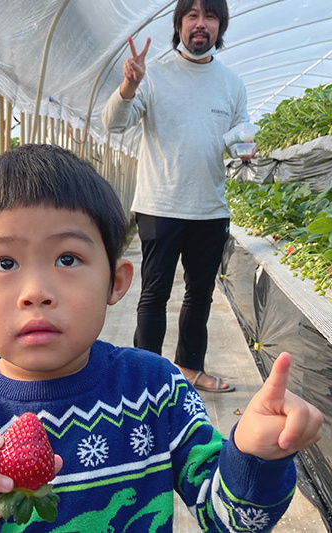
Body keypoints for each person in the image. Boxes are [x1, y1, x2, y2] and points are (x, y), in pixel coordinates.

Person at [0, 144, 323, 532]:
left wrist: (256, 457)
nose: (36, 292)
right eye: (5, 263)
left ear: (116, 281)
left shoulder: (156, 391)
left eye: (67, 258)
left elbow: (229, 519)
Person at [102, 0, 252, 393]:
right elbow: (114, 123)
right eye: (193, 16)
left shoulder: (231, 84)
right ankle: (145, 378)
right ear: (179, 24)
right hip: (160, 205)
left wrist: (244, 148)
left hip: (210, 208)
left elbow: (240, 134)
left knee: (199, 295)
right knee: (154, 295)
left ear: (220, 26)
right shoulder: (154, 76)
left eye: (210, 17)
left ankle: (189, 369)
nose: (201, 24)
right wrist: (129, 85)